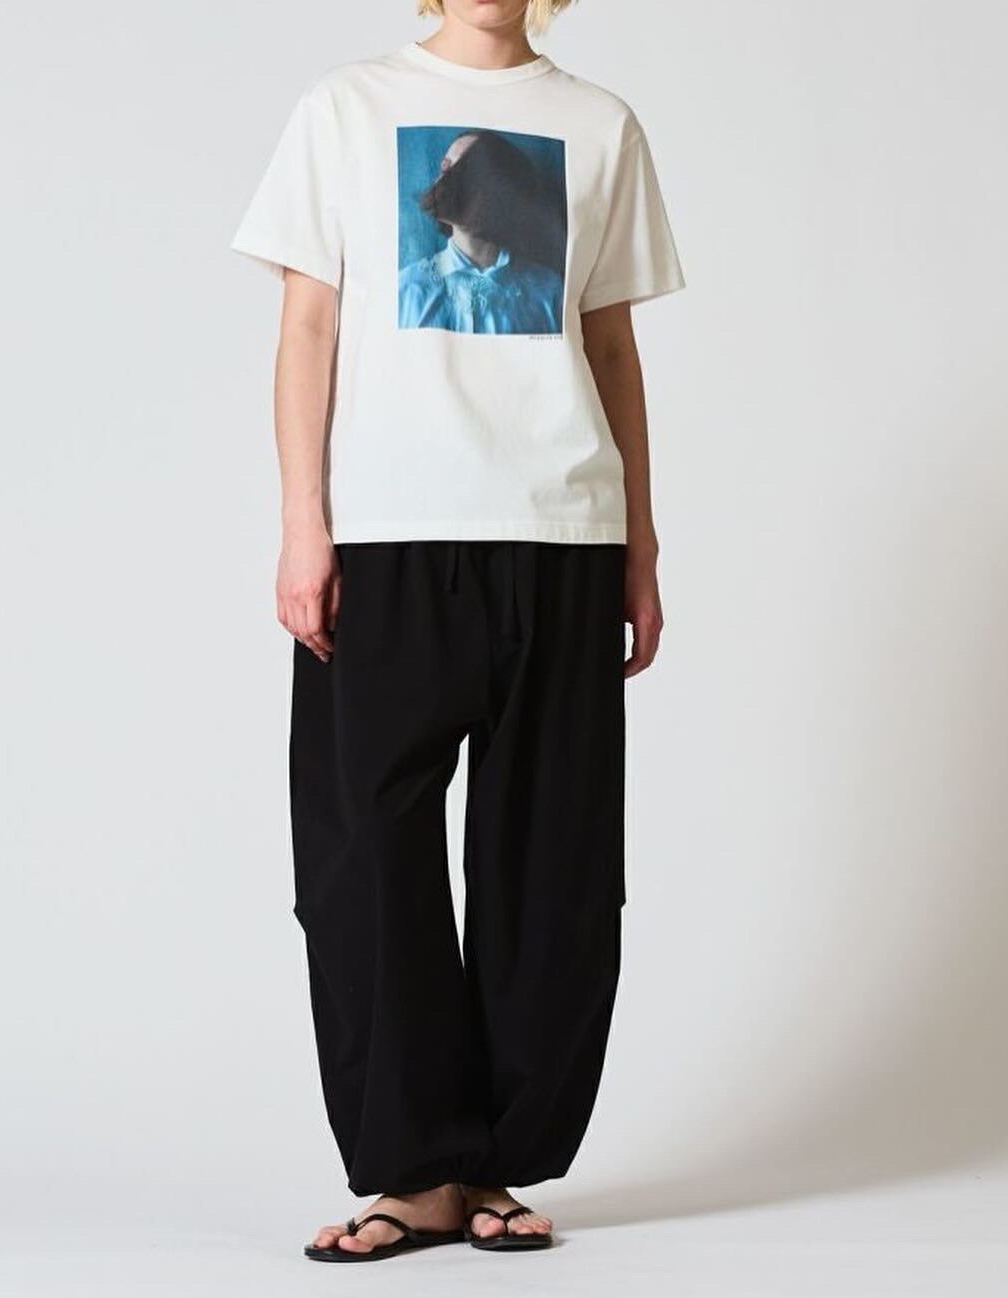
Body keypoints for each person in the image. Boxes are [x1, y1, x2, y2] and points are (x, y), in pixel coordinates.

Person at [230, 0, 685, 1263]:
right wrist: (304, 521)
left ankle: (492, 1163)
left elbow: (611, 344)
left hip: (562, 525)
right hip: (388, 528)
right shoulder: (346, 107)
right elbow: (307, 324)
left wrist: (640, 542)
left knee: (554, 859)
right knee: (364, 852)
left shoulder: (598, 124)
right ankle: (412, 1167)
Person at [398, 128, 565, 333]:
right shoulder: (406, 289)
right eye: (445, 170)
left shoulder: (548, 292)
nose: (446, 181)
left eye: (465, 171)